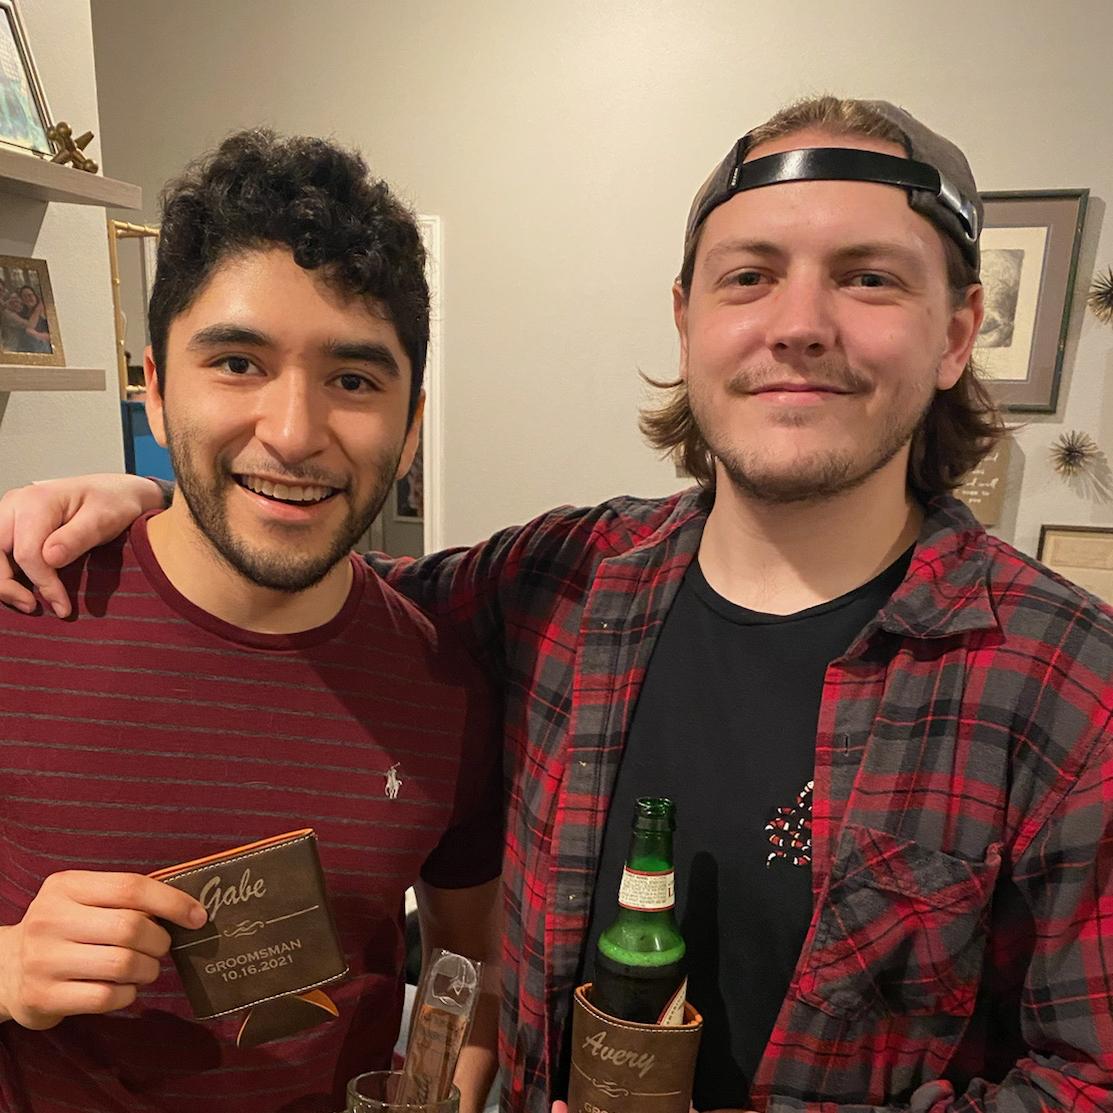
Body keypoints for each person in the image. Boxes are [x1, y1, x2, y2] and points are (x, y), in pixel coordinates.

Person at [2, 96, 1112, 1113]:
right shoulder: (557, 587)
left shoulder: (1069, 687)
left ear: (957, 331)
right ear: (686, 318)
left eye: (868, 278)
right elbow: (294, 587)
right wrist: (151, 502)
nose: (800, 324)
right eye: (749, 276)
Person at [0, 129, 502, 1113]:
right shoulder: (22, 609)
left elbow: (471, 974)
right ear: (154, 386)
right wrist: (6, 965)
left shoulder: (445, 689)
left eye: (353, 380)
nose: (293, 432)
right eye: (237, 362)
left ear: (410, 427)